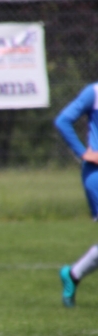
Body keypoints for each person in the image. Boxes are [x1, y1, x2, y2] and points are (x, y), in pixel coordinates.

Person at [55, 81, 98, 307]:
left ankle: (73, 274)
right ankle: (73, 274)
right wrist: (83, 153)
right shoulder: (94, 92)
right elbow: (62, 121)